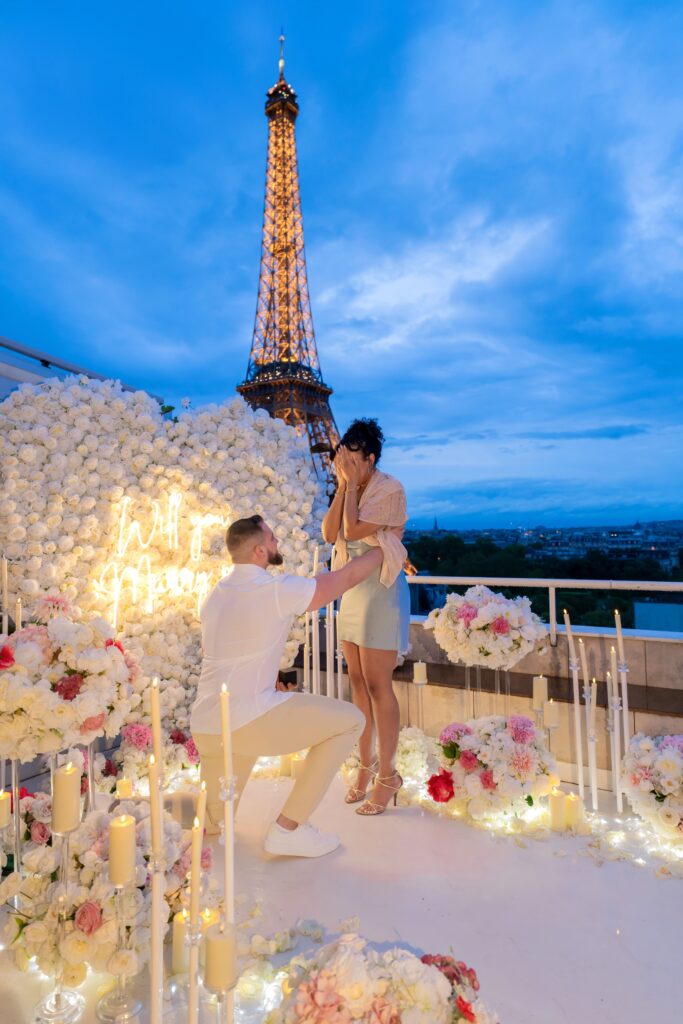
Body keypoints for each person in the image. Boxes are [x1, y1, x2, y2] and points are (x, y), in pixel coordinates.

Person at [190, 514, 385, 858]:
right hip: (245, 721)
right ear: (259, 550)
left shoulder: (214, 596)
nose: (277, 542)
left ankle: (201, 847)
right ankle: (288, 829)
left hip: (206, 725)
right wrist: (384, 550)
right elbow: (345, 578)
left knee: (211, 828)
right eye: (272, 538)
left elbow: (233, 654)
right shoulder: (275, 589)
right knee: (352, 720)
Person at [322, 418, 410, 816]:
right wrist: (343, 485)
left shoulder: (389, 488)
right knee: (356, 682)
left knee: (378, 685)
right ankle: (365, 764)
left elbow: (354, 530)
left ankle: (388, 774)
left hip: (380, 588)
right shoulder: (351, 485)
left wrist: (352, 486)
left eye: (354, 460)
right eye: (344, 459)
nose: (348, 465)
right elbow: (330, 534)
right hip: (353, 587)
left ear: (370, 458)